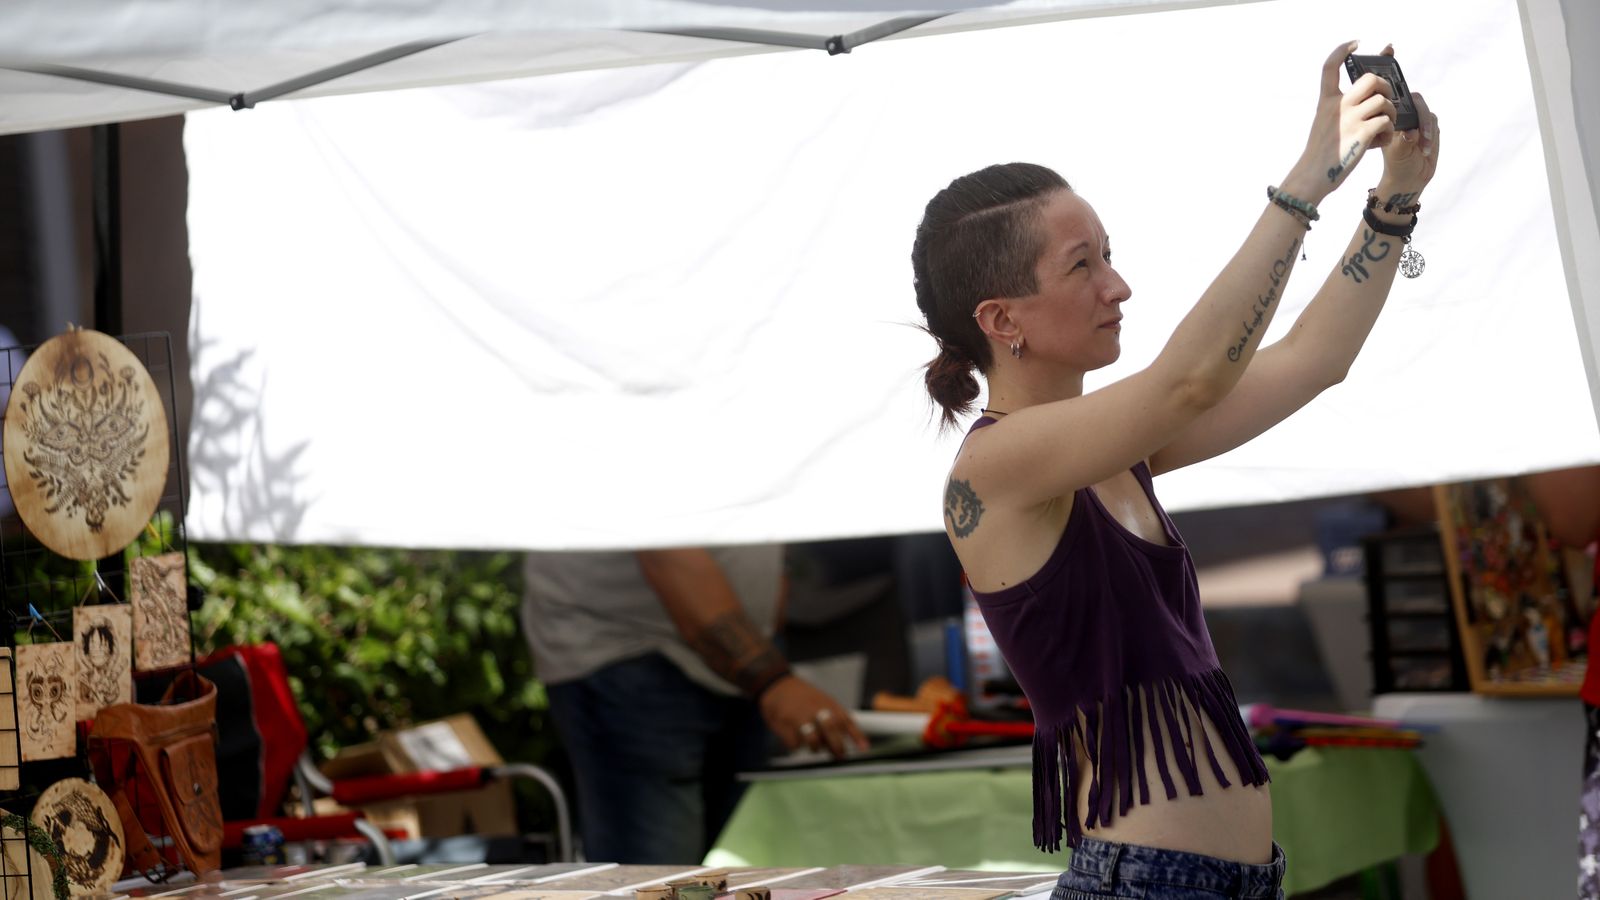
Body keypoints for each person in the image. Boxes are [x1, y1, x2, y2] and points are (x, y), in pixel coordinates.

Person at [913, 41, 1438, 900]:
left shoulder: (1117, 447)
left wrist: (1395, 201)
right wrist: (1307, 181)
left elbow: (1313, 359)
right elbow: (1189, 380)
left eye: (1108, 254)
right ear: (1001, 320)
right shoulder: (998, 464)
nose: (1117, 286)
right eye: (1082, 265)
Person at [521, 545, 867, 864]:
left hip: (740, 663)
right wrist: (772, 680)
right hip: (629, 653)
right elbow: (668, 554)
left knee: (740, 870)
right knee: (660, 880)